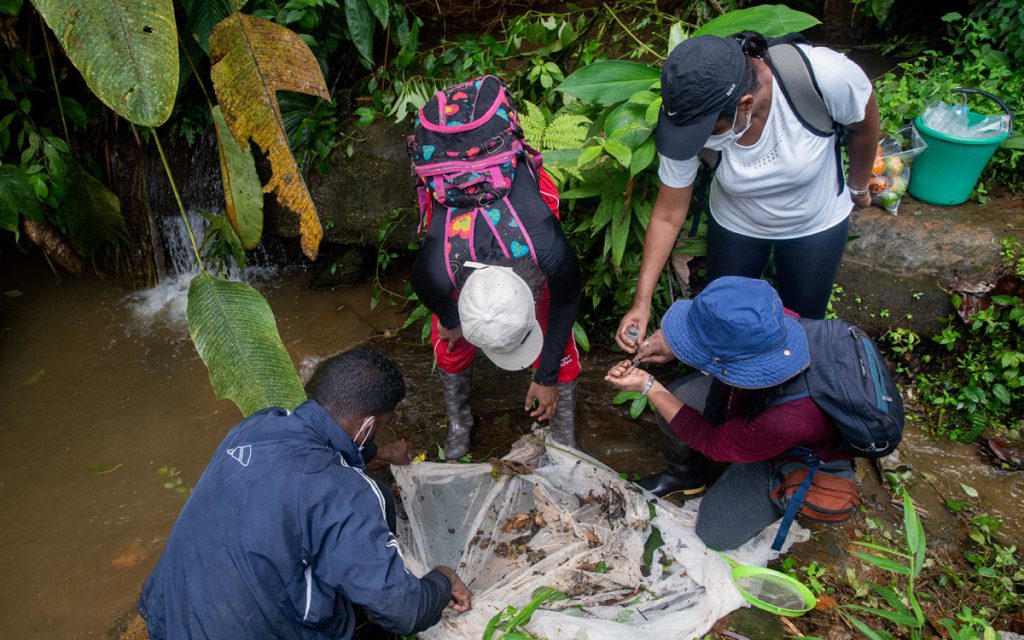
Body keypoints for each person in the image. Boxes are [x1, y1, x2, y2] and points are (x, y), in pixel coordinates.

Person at [137, 348, 472, 639]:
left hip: (166, 618)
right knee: (377, 502)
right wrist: (443, 579)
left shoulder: (258, 425)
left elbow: (310, 447)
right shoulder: (348, 494)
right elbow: (403, 613)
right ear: (369, 424)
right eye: (381, 425)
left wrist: (378, 453)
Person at [617, 32, 880, 347]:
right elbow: (668, 214)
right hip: (736, 223)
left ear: (745, 105)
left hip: (814, 221)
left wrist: (858, 187)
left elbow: (863, 127)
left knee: (803, 328)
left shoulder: (824, 75)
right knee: (723, 322)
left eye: (709, 132)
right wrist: (641, 301)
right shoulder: (688, 117)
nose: (696, 142)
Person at [605, 277, 857, 551]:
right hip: (751, 402)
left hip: (794, 449)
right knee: (677, 404)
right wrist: (671, 344)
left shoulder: (790, 416)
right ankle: (686, 475)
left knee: (715, 533)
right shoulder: (763, 320)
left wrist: (648, 386)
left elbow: (713, 443)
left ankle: (768, 478)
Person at [410, 154, 582, 461]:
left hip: (516, 198)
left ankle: (563, 433)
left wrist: (546, 377)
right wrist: (453, 319)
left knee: (554, 338)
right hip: (458, 213)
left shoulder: (547, 251)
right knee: (449, 341)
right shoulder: (436, 273)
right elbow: (425, 289)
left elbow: (566, 304)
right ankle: (460, 423)